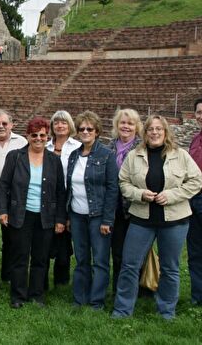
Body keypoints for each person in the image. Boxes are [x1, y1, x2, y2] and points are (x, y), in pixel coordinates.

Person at [112, 115, 202, 319]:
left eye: (159, 129)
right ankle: (122, 309)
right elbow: (123, 182)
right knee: (129, 265)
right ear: (145, 133)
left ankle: (166, 311)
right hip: (141, 220)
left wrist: (171, 195)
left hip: (174, 221)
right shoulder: (134, 155)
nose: (154, 132)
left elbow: (196, 181)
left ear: (166, 132)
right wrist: (139, 194)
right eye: (151, 129)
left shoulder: (180, 155)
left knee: (170, 268)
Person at [0, 116, 66, 308]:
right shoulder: (15, 157)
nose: (38, 138)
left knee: (40, 258)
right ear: (27, 135)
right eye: (34, 135)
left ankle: (36, 295)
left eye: (42, 135)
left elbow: (61, 191)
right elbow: (3, 186)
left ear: (47, 137)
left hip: (45, 217)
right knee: (19, 257)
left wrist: (60, 218)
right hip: (21, 214)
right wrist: (2, 210)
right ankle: (18, 296)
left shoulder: (54, 160)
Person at [66, 111, 119, 309]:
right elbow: (69, 187)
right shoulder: (74, 155)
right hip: (77, 215)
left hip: (98, 216)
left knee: (100, 260)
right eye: (82, 129)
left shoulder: (106, 155)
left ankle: (97, 301)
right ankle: (80, 298)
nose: (85, 132)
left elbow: (113, 189)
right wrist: (69, 215)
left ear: (97, 131)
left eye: (90, 129)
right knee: (81, 259)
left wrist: (107, 220)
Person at [0, 110, 27, 283]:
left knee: (11, 237)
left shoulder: (22, 142)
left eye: (4, 123)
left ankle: (8, 275)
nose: (1, 126)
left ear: (11, 124)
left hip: (13, 197)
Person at [107, 108, 142, 292]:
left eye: (130, 123)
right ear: (116, 125)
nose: (126, 126)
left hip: (138, 207)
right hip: (116, 208)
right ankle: (118, 289)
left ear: (137, 127)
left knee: (138, 251)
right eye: (123, 123)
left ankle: (141, 288)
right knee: (118, 251)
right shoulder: (109, 147)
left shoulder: (143, 147)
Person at [45, 110, 80, 288]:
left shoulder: (77, 146)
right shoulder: (45, 145)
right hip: (47, 198)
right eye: (56, 122)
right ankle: (41, 277)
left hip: (68, 198)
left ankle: (61, 279)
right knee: (45, 238)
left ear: (70, 126)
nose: (60, 125)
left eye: (64, 122)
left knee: (64, 240)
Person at [189, 98, 202, 305]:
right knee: (195, 251)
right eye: (199, 112)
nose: (201, 116)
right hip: (193, 198)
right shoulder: (195, 139)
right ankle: (198, 297)